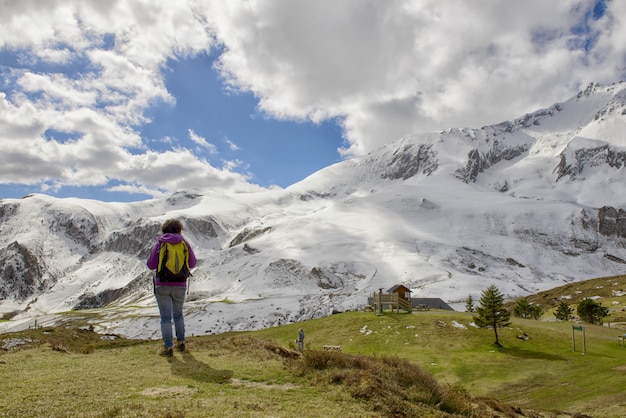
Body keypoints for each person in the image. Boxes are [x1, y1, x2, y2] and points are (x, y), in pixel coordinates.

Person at [147, 219, 197, 357]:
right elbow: (192, 263)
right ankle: (181, 343)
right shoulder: (184, 243)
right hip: (180, 284)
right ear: (179, 230)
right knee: (178, 315)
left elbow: (151, 265)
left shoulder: (160, 243)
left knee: (165, 318)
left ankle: (167, 347)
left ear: (164, 230)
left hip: (162, 284)